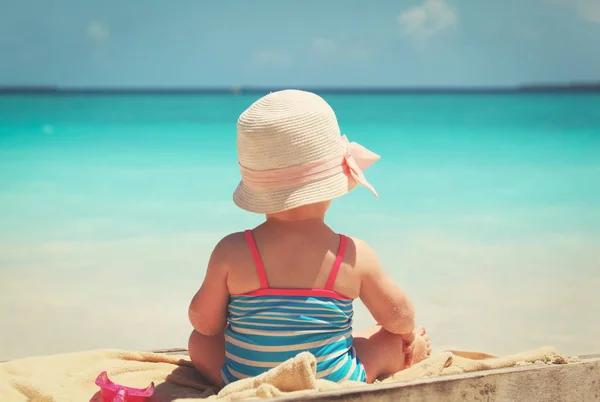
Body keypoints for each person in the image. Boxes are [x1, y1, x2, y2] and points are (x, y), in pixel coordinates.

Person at [188, 89, 431, 387]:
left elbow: (204, 323)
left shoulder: (232, 250)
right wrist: (405, 335)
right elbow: (400, 315)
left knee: (199, 342)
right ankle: (409, 353)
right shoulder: (353, 255)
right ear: (332, 186)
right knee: (385, 341)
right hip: (333, 380)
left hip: (249, 378)